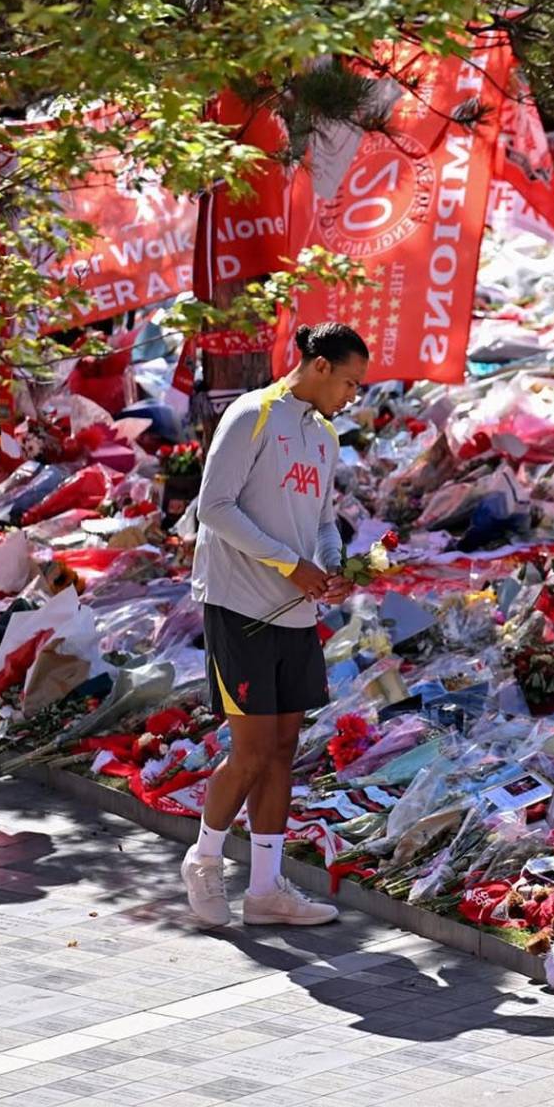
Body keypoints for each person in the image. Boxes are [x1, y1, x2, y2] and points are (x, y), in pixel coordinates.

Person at [182, 322, 369, 926]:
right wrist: (289, 564)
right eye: (348, 382)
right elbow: (213, 507)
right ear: (318, 366)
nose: (350, 396)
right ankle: (205, 859)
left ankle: (266, 890)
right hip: (239, 605)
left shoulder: (325, 435)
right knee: (253, 750)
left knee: (284, 748)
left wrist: (332, 566)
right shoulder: (251, 414)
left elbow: (320, 520)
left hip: (296, 610)